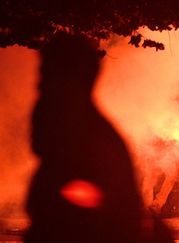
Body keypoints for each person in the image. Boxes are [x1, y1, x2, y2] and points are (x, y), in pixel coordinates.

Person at [25, 33, 148, 243]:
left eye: (48, 75)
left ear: (74, 79)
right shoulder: (74, 137)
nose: (39, 86)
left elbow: (104, 210)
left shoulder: (95, 144)